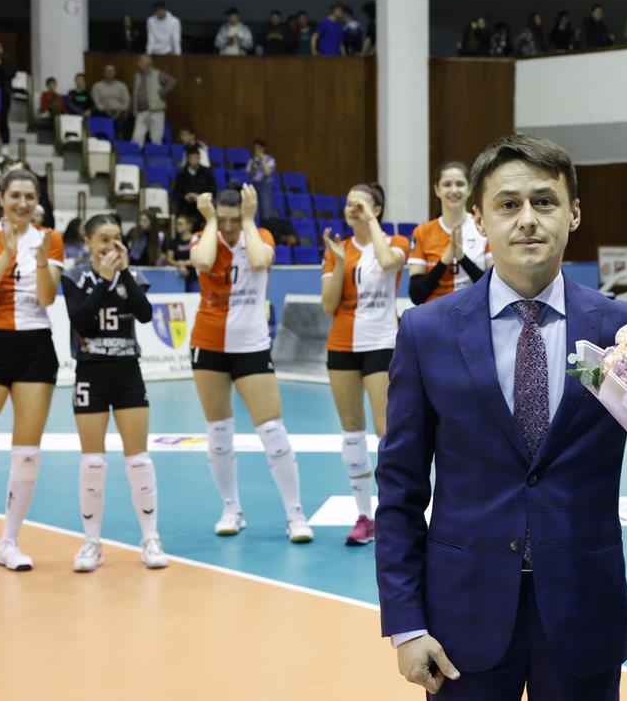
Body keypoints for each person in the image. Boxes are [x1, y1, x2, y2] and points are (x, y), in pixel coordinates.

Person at [375, 133, 627, 701]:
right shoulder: (426, 332)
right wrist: (406, 625)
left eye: (545, 202)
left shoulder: (626, 330)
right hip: (461, 618)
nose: (527, 219)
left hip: (583, 610)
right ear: (478, 220)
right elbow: (400, 490)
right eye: (508, 204)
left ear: (574, 214)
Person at [188, 184, 313, 542]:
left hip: (251, 347)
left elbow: (259, 261)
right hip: (208, 345)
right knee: (218, 433)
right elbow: (203, 262)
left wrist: (248, 221)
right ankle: (231, 509)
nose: (228, 227)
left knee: (272, 431)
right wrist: (210, 222)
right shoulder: (203, 237)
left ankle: (295, 515)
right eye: (222, 220)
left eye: (234, 220)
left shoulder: (260, 236)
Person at [61, 214, 168, 572]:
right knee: (93, 462)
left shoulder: (132, 275)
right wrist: (105, 280)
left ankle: (150, 538)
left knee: (138, 460)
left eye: (117, 238)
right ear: (88, 242)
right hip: (91, 371)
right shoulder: (75, 276)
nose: (111, 246)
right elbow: (81, 320)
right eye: (104, 239)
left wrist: (122, 274)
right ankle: (92, 543)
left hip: (127, 372)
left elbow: (145, 314)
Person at [321, 183, 408, 546]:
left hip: (381, 343)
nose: (352, 209)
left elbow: (388, 263)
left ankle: (393, 512)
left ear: (377, 208)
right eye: (348, 203)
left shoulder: (396, 242)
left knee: (386, 430)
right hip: (342, 345)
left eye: (361, 204)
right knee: (351, 431)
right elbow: (328, 305)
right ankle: (364, 516)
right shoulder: (336, 249)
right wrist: (340, 262)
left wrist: (370, 220)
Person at [0, 168, 64, 572]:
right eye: (15, 196)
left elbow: (47, 298)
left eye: (29, 197)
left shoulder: (50, 238)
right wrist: (6, 253)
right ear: (1, 198)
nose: (22, 203)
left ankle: (9, 542)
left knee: (27, 451)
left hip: (36, 346)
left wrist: (39, 262)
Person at [408, 161, 490, 304]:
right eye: (447, 185)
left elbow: (492, 288)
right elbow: (416, 296)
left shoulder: (484, 227)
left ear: (469, 188)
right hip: (435, 314)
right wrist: (445, 260)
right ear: (437, 190)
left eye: (460, 184)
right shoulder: (422, 232)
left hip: (473, 311)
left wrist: (461, 258)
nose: (454, 190)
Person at [131, 54, 177, 147]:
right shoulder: (137, 75)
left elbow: (172, 81)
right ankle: (136, 155)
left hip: (156, 111)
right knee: (136, 139)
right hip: (141, 112)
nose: (138, 63)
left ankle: (156, 156)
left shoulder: (157, 74)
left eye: (140, 61)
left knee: (156, 139)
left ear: (148, 63)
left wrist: (162, 93)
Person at [173, 145, 216, 226]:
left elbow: (213, 191)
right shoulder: (182, 174)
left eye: (196, 158)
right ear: (188, 159)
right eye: (191, 158)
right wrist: (185, 197)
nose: (194, 161)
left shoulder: (207, 173)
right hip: (185, 209)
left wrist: (199, 197)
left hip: (202, 210)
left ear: (199, 158)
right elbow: (176, 193)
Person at [91, 65, 132, 139]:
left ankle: (119, 142)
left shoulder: (121, 85)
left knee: (123, 120)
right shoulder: (97, 86)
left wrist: (120, 110)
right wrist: (105, 110)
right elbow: (97, 102)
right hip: (102, 112)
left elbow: (126, 101)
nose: (109, 73)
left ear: (115, 73)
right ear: (104, 73)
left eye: (111, 71)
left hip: (119, 112)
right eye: (107, 71)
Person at [165, 212, 199, 291]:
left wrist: (183, 263)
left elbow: (199, 259)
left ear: (188, 225)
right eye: (176, 224)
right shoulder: (173, 242)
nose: (177, 226)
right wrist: (179, 265)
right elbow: (169, 259)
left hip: (194, 278)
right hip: (178, 277)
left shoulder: (196, 240)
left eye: (180, 224)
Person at [245, 138, 276, 220]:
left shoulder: (270, 159)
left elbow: (267, 172)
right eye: (255, 148)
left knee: (266, 209)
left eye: (259, 148)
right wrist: (253, 163)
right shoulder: (252, 160)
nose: (257, 150)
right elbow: (249, 174)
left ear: (263, 148)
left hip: (265, 186)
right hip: (255, 184)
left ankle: (267, 224)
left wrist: (262, 159)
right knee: (255, 210)